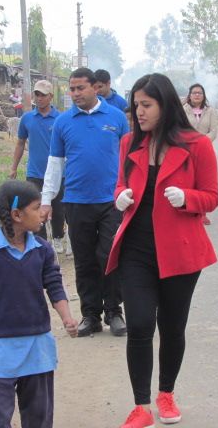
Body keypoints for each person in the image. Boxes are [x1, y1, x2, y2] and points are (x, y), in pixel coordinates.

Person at [106, 73, 218, 428]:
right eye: (135, 105)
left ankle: (166, 393)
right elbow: (122, 183)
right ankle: (141, 406)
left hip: (180, 251)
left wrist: (188, 199)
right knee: (139, 324)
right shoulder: (129, 143)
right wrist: (120, 195)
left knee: (172, 327)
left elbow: (212, 197)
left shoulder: (198, 145)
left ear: (165, 105)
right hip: (136, 249)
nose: (138, 112)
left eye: (146, 105)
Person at [0, 180, 78, 428]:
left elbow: (54, 286)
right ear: (17, 215)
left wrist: (67, 318)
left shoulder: (42, 250)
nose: (43, 213)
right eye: (36, 207)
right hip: (0, 348)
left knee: (38, 418)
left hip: (37, 347)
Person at [41, 67, 130, 337]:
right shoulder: (63, 123)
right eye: (72, 89)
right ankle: (90, 315)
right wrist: (46, 200)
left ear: (95, 88)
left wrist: (132, 192)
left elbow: (129, 159)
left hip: (112, 202)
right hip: (76, 202)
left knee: (109, 256)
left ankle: (114, 311)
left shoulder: (116, 118)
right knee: (84, 260)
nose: (75, 93)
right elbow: (55, 165)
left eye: (81, 88)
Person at [10, 80, 67, 253]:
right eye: (37, 94)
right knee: (34, 207)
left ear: (50, 96)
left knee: (58, 208)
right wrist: (14, 167)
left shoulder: (60, 119)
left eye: (43, 95)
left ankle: (58, 236)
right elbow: (20, 143)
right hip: (34, 172)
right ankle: (41, 240)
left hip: (58, 174)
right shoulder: (27, 118)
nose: (39, 98)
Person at [183, 83, 217, 225]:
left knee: (204, 181)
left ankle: (202, 212)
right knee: (189, 180)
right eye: (194, 93)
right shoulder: (182, 110)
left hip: (205, 150)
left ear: (204, 96)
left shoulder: (210, 111)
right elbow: (181, 128)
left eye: (200, 93)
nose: (197, 95)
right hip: (186, 149)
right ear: (189, 95)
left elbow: (213, 131)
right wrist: (191, 142)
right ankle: (190, 208)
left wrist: (202, 142)